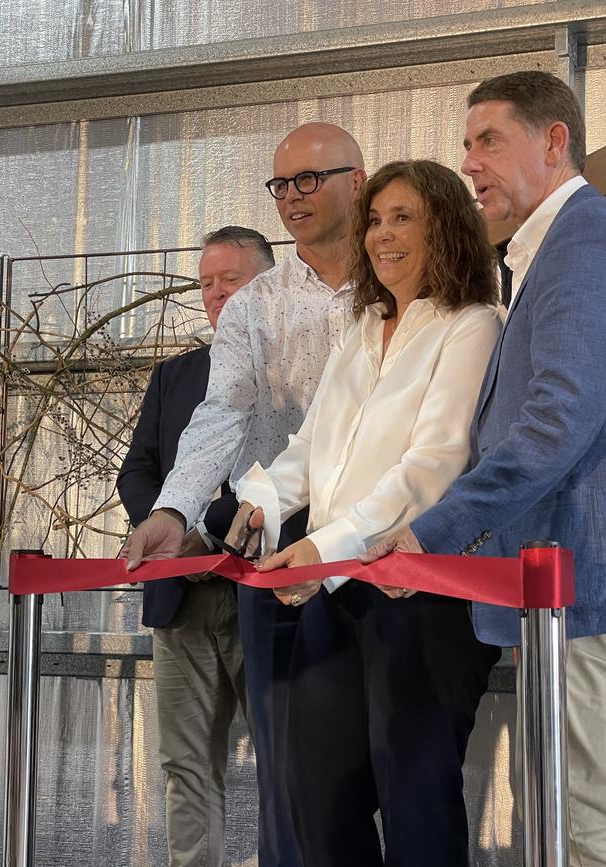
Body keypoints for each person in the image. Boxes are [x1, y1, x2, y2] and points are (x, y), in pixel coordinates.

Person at [228, 160, 503, 867]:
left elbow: (433, 464)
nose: (381, 234)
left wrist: (326, 547)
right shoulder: (363, 329)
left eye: (402, 217)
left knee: (416, 803)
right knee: (313, 798)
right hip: (339, 586)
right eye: (375, 219)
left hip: (421, 595)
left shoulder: (474, 323)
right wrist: (260, 501)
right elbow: (312, 446)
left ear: (445, 225)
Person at [362, 71, 606, 867]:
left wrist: (433, 532)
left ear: (554, 141)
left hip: (581, 594)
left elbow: (557, 419)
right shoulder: (539, 253)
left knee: (583, 825)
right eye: (466, 145)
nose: (470, 163)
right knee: (561, 819)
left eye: (489, 140)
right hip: (550, 596)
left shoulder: (583, 238)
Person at [121, 122, 367, 866]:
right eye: (281, 183)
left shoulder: (399, 285)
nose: (293, 197)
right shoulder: (258, 308)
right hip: (271, 555)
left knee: (369, 768)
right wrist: (173, 511)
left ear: (358, 179)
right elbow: (218, 417)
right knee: (286, 775)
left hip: (375, 543)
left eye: (310, 179)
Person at [117, 226, 274, 867]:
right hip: (178, 605)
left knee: (287, 766)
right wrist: (172, 535)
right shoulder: (173, 376)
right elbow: (138, 472)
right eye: (206, 283)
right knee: (185, 769)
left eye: (229, 280)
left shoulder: (298, 369)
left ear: (269, 285)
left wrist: (205, 528)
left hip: (263, 593)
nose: (214, 295)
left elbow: (292, 471)